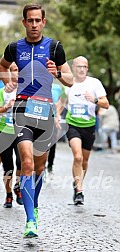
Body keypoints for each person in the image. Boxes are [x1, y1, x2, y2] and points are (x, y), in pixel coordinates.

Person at [0, 4, 73, 238]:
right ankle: (30, 221)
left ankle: (35, 206)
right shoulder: (13, 47)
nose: (33, 25)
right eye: (29, 21)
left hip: (45, 110)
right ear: (24, 23)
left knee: (39, 168)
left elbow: (70, 80)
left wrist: (57, 73)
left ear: (43, 22)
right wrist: (8, 81)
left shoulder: (54, 47)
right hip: (22, 107)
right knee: (27, 164)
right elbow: (0, 66)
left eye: (37, 21)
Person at [65, 56, 109, 205]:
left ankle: (77, 182)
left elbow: (106, 104)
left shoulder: (94, 83)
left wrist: (95, 100)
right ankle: (79, 190)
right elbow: (61, 101)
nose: (82, 69)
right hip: (72, 125)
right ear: (74, 68)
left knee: (84, 160)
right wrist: (57, 114)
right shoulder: (68, 84)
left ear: (87, 68)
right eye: (79, 66)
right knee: (77, 157)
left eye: (84, 66)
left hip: (89, 126)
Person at [0, 62, 23, 208]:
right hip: (4, 131)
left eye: (19, 70)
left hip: (21, 132)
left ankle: (17, 186)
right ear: (10, 73)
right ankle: (9, 195)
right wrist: (6, 107)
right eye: (15, 70)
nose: (17, 73)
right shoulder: (3, 91)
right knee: (8, 167)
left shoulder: (27, 90)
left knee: (21, 163)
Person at [47, 81, 66, 174]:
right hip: (42, 117)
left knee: (53, 142)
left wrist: (58, 114)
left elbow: (62, 101)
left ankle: (50, 165)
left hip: (54, 118)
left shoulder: (58, 87)